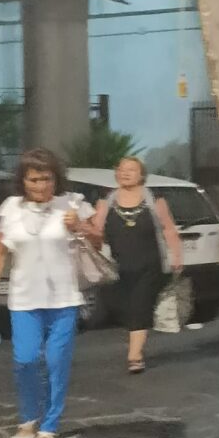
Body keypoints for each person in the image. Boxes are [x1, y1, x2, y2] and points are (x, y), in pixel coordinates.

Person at [0, 148, 99, 438]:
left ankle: (49, 427)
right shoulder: (12, 209)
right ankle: (28, 420)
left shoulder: (71, 203)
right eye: (34, 179)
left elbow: (98, 240)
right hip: (24, 298)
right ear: (23, 181)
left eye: (47, 178)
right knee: (26, 359)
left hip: (64, 298)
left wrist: (81, 227)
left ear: (55, 178)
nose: (41, 185)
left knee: (57, 361)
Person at [92, 157, 183, 374]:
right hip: (118, 267)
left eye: (131, 170)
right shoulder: (107, 202)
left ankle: (135, 355)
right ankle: (135, 342)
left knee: (139, 306)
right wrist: (81, 227)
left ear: (141, 174)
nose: (125, 173)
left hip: (149, 265)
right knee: (125, 308)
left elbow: (168, 228)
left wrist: (176, 255)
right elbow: (96, 231)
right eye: (121, 170)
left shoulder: (154, 200)